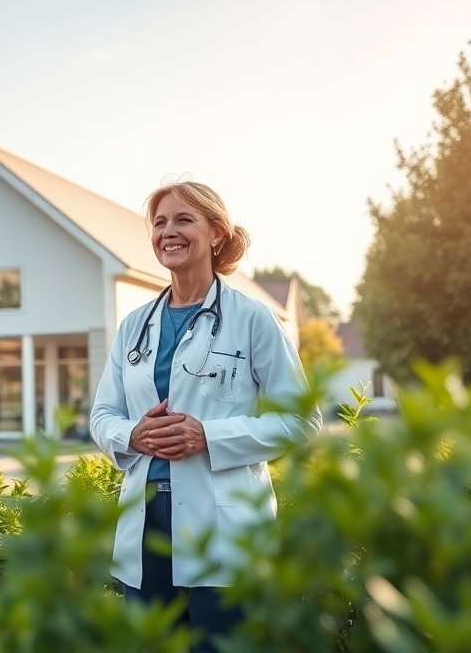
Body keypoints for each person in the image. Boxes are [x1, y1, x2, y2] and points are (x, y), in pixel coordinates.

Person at [89, 181, 322, 653]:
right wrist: (132, 433)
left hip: (223, 528)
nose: (167, 232)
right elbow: (102, 414)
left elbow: (302, 420)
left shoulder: (253, 319)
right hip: (146, 526)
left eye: (183, 220)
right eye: (159, 223)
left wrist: (209, 436)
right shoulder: (135, 325)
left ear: (216, 234)